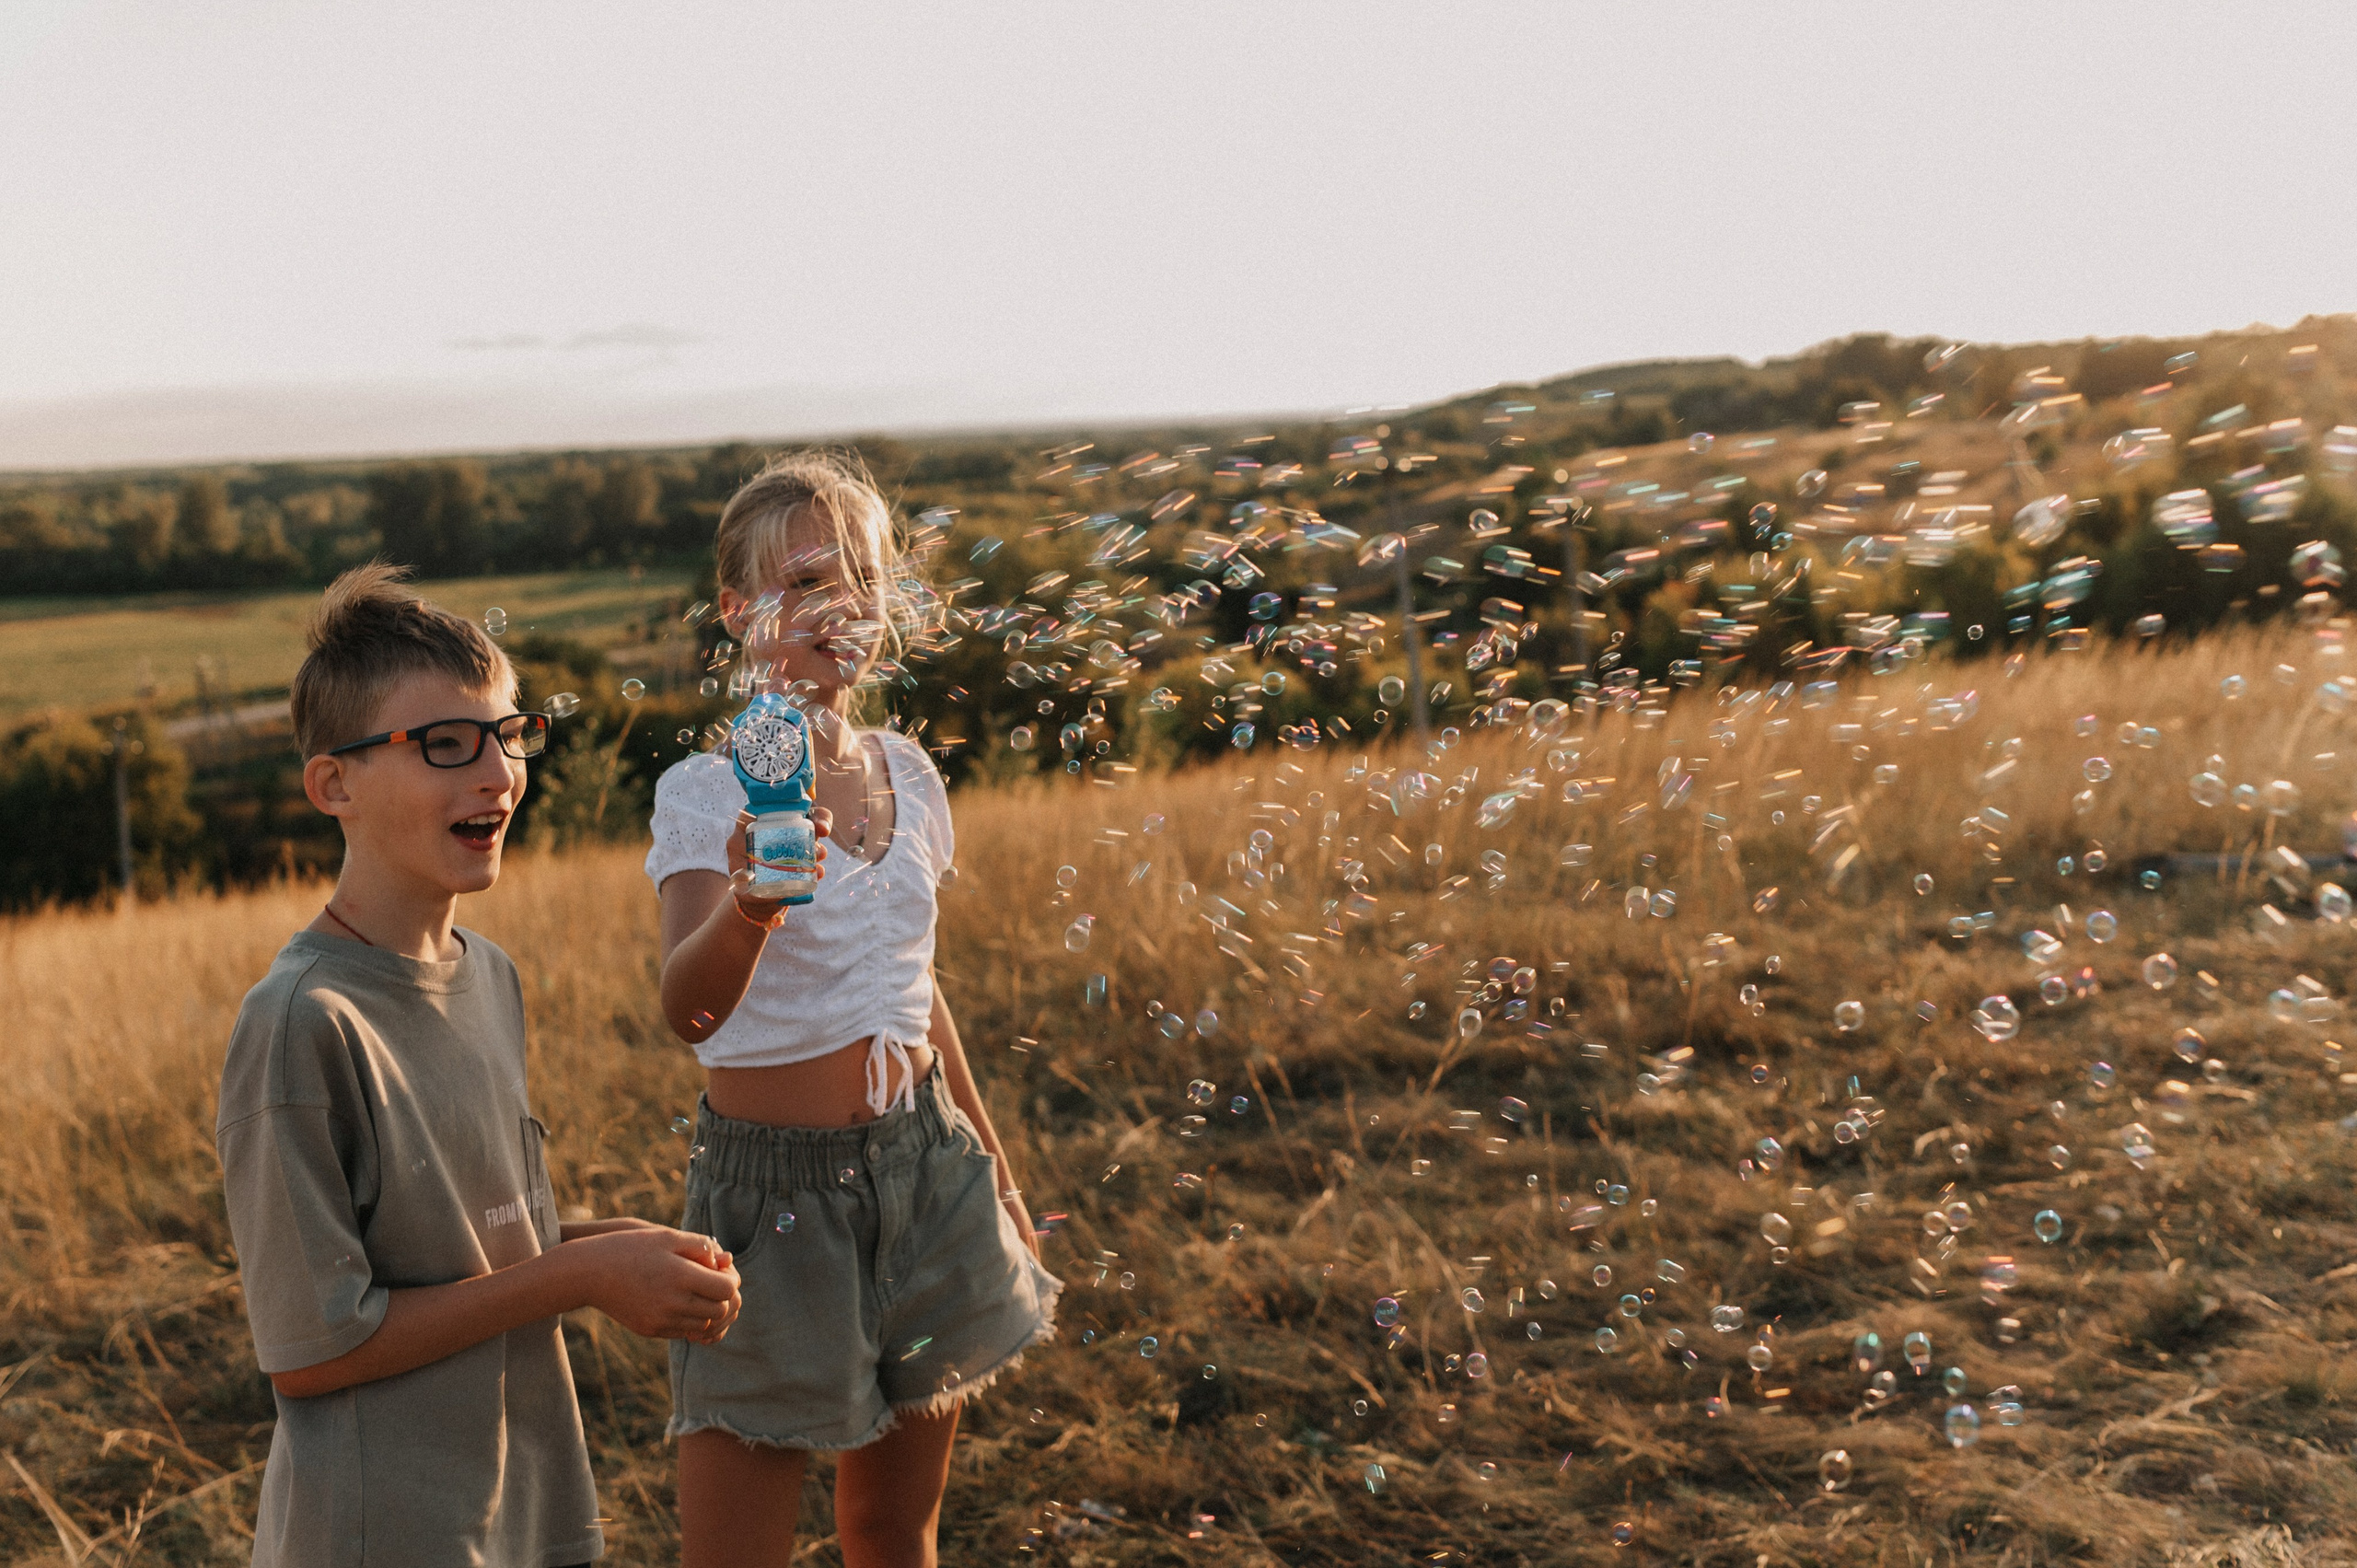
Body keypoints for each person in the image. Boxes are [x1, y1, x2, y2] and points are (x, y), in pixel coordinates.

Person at [216, 563, 745, 1568]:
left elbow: (470, 1243)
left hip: (521, 1504)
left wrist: (617, 1245)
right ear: (333, 784)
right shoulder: (301, 1024)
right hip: (387, 1531)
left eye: (509, 734)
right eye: (446, 743)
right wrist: (580, 1273)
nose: (499, 773)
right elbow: (315, 1349)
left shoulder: (489, 973)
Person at [648, 451, 1061, 1568]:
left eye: (863, 578)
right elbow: (689, 1010)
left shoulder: (908, 775)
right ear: (736, 610)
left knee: (890, 1526)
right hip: (775, 1205)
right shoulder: (709, 791)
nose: (841, 604)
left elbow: (912, 992)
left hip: (926, 1170)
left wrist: (995, 1171)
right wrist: (750, 906)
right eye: (803, 581)